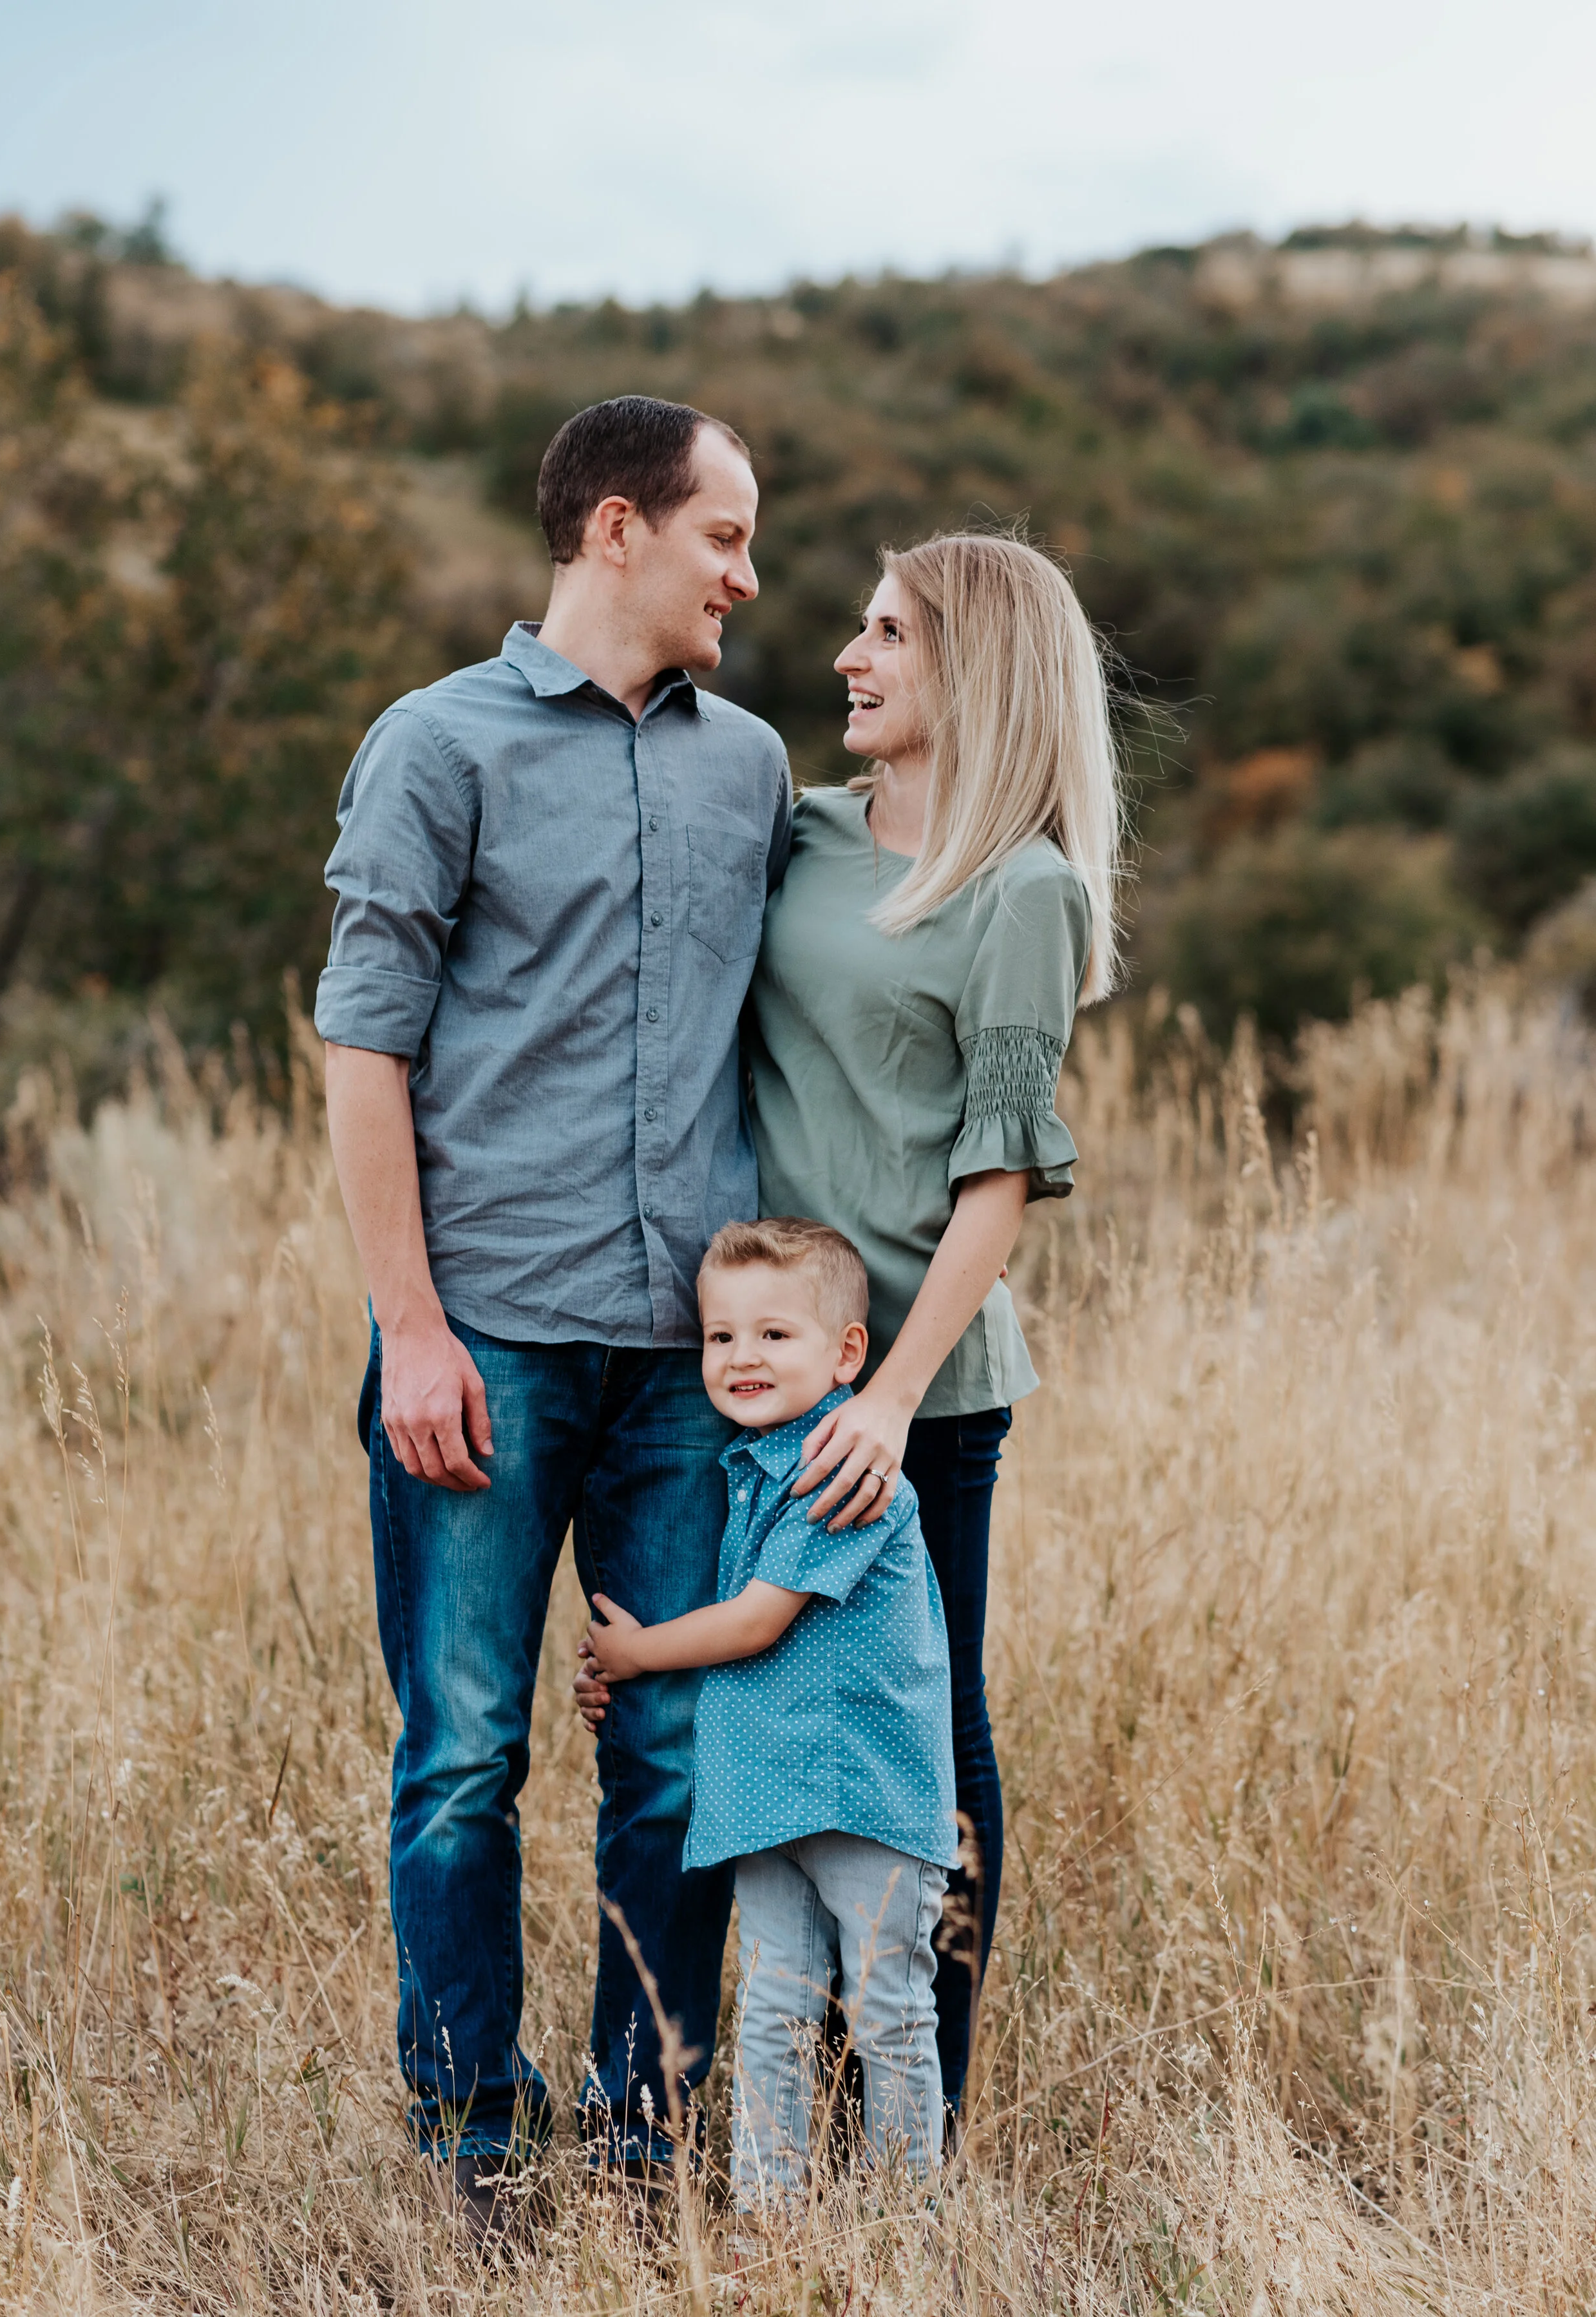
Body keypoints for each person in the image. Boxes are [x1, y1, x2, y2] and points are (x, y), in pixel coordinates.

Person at [316, 394, 792, 2236]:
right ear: (616, 528)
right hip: (486, 1341)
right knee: (460, 1754)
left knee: (671, 1756)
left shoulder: (747, 767)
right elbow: (364, 1048)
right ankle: (469, 2153)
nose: (747, 576)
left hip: (690, 1361)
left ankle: (647, 2141)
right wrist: (410, 1329)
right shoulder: (434, 746)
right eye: (724, 537)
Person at [745, 533, 1124, 2115]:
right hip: (765, 1376)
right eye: (860, 626)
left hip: (921, 1399)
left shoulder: (1021, 890)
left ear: (974, 670)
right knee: (774, 1725)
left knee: (919, 1734)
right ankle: (778, 2084)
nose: (849, 652)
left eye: (889, 633)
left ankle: (912, 2108)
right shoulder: (802, 839)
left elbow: (1000, 1178)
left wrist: (888, 1402)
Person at [579, 1218, 957, 2207]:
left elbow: (753, 1624)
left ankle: (907, 2219)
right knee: (778, 2006)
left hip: (865, 1790)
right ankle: (768, 2214)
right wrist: (627, 1676)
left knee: (887, 2011)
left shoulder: (847, 1471)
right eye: (721, 1337)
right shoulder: (741, 1475)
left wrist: (637, 1654)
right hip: (766, 1792)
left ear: (845, 1353)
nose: (743, 1356)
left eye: (774, 1335)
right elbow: (725, 1634)